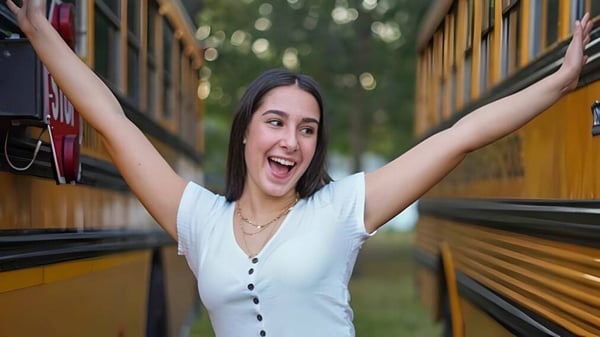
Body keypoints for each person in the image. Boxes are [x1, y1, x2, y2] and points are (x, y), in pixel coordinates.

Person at [7, 1, 593, 336]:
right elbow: (112, 120)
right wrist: (39, 36)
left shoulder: (341, 210)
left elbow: (457, 138)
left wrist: (560, 83)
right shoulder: (198, 220)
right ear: (245, 132)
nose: (291, 141)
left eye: (307, 129)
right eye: (276, 122)